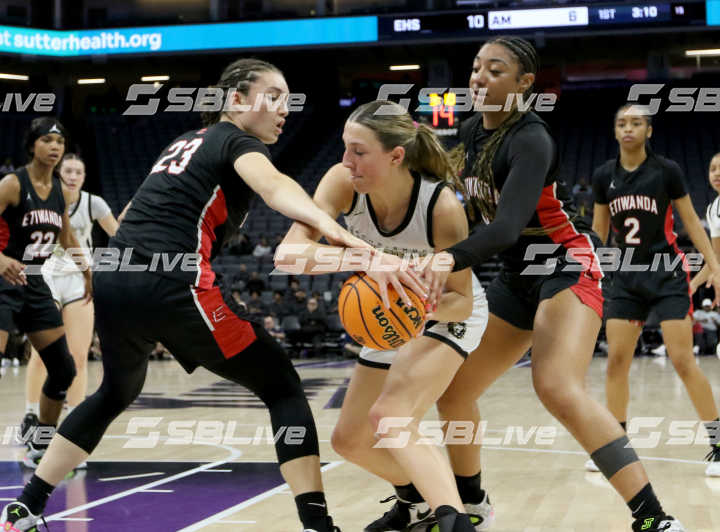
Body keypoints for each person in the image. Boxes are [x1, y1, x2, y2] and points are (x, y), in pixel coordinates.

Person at [0, 58, 420, 532]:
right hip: (172, 283)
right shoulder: (235, 140)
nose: (285, 108)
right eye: (274, 96)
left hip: (118, 279)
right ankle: (317, 526)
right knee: (281, 383)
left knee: (115, 390)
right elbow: (275, 187)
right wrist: (357, 247)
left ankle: (25, 507)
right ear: (236, 100)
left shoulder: (182, 143)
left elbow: (137, 209)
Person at [418, 37, 686, 531]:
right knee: (454, 392)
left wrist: (445, 260)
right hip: (519, 275)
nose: (479, 77)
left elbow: (505, 226)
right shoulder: (472, 131)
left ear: (523, 85)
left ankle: (655, 520)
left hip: (564, 263)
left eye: (495, 70)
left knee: (556, 386)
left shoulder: (531, 138)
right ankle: (472, 506)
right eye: (476, 68)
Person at [276, 99, 490, 532]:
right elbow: (289, 254)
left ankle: (459, 519)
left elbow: (460, 298)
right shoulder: (342, 182)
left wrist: (413, 310)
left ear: (395, 156)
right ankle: (416, 501)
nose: (345, 160)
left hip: (445, 314)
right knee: (349, 440)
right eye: (344, 147)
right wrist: (371, 261)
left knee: (391, 416)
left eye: (358, 151)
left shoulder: (440, 205)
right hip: (389, 310)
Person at [590, 104, 720, 478]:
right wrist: (591, 271)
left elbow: (691, 220)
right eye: (621, 123)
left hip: (666, 276)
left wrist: (713, 264)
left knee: (682, 360)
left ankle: (717, 441)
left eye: (636, 123)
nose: (628, 129)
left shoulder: (666, 171)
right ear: (615, 132)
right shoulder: (603, 176)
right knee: (617, 361)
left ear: (649, 131)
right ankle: (617, 447)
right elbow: (600, 234)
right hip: (625, 280)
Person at [0, 119, 90, 468]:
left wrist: (86, 268)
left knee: (63, 369)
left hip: (35, 284)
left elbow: (66, 236)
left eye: (60, 141)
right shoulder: (11, 184)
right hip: (5, 281)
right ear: (32, 145)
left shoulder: (57, 191)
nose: (55, 147)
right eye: (47, 140)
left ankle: (40, 442)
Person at [22, 153, 119, 467]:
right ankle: (32, 416)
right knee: (43, 353)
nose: (73, 175)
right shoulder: (41, 199)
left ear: (85, 175)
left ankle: (73, 431)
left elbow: (119, 238)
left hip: (79, 278)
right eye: (68, 170)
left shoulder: (94, 204)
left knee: (78, 356)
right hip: (46, 275)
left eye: (79, 171)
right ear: (58, 173)